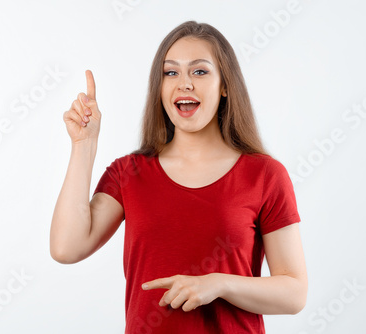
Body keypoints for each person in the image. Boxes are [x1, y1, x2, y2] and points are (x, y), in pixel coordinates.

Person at [50, 20, 308, 333]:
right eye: (170, 72)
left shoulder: (264, 175)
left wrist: (218, 284)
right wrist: (84, 144)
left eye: (199, 71)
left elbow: (294, 294)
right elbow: (66, 247)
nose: (183, 83)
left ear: (225, 85)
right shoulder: (129, 173)